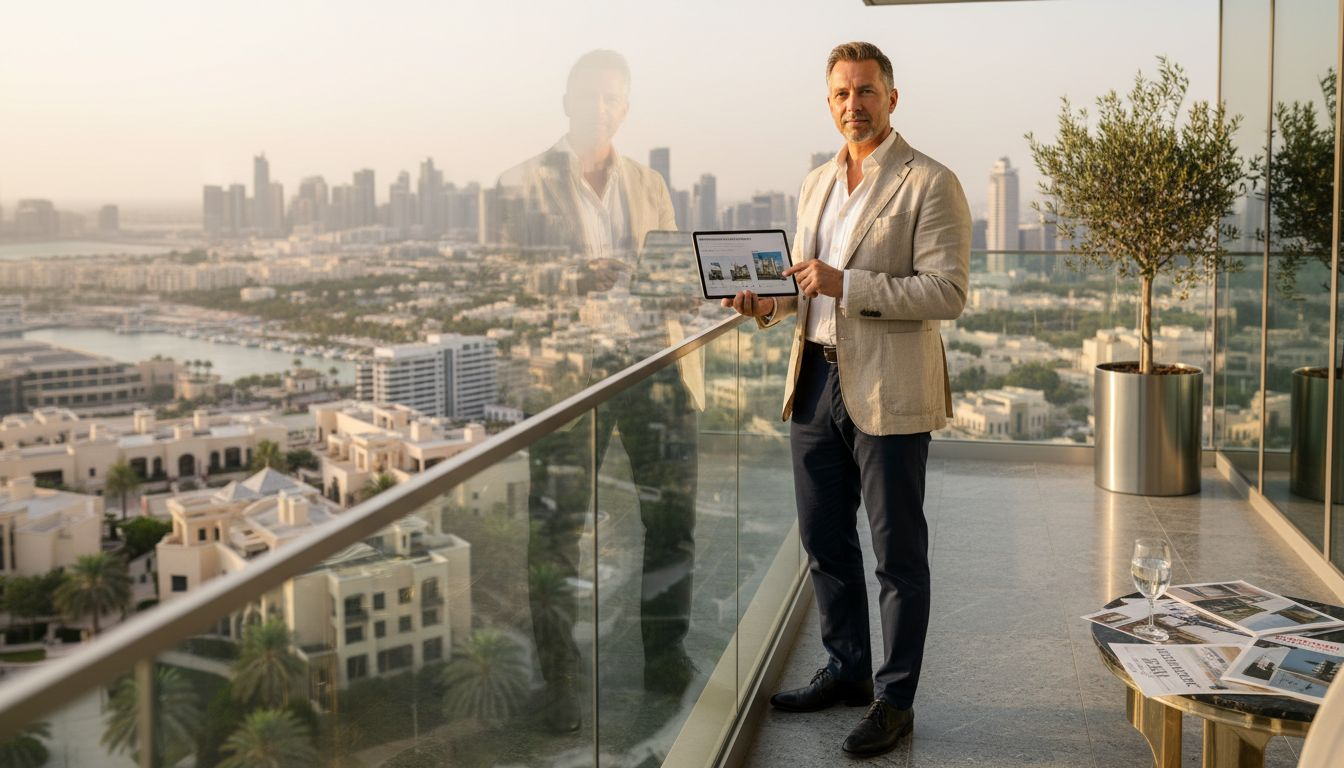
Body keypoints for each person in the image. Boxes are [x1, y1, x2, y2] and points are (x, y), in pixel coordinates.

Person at [724, 41, 970, 757]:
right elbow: (802, 286)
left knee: (898, 555)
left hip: (889, 387)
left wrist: (846, 284)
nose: (852, 104)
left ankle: (896, 701)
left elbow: (947, 292)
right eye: (840, 93)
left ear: (892, 98)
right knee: (824, 540)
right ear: (828, 102)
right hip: (813, 380)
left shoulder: (930, 181)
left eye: (865, 91)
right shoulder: (815, 183)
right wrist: (765, 305)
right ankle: (847, 668)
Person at [493, 49, 701, 735]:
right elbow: (499, 280)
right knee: (556, 537)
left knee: (672, 523)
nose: (602, 108)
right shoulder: (519, 182)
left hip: (653, 368)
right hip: (569, 377)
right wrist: (572, 279)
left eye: (613, 98)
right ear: (567, 102)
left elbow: (669, 271)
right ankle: (561, 686)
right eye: (590, 96)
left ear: (625, 108)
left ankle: (665, 661)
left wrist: (681, 290)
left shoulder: (649, 184)